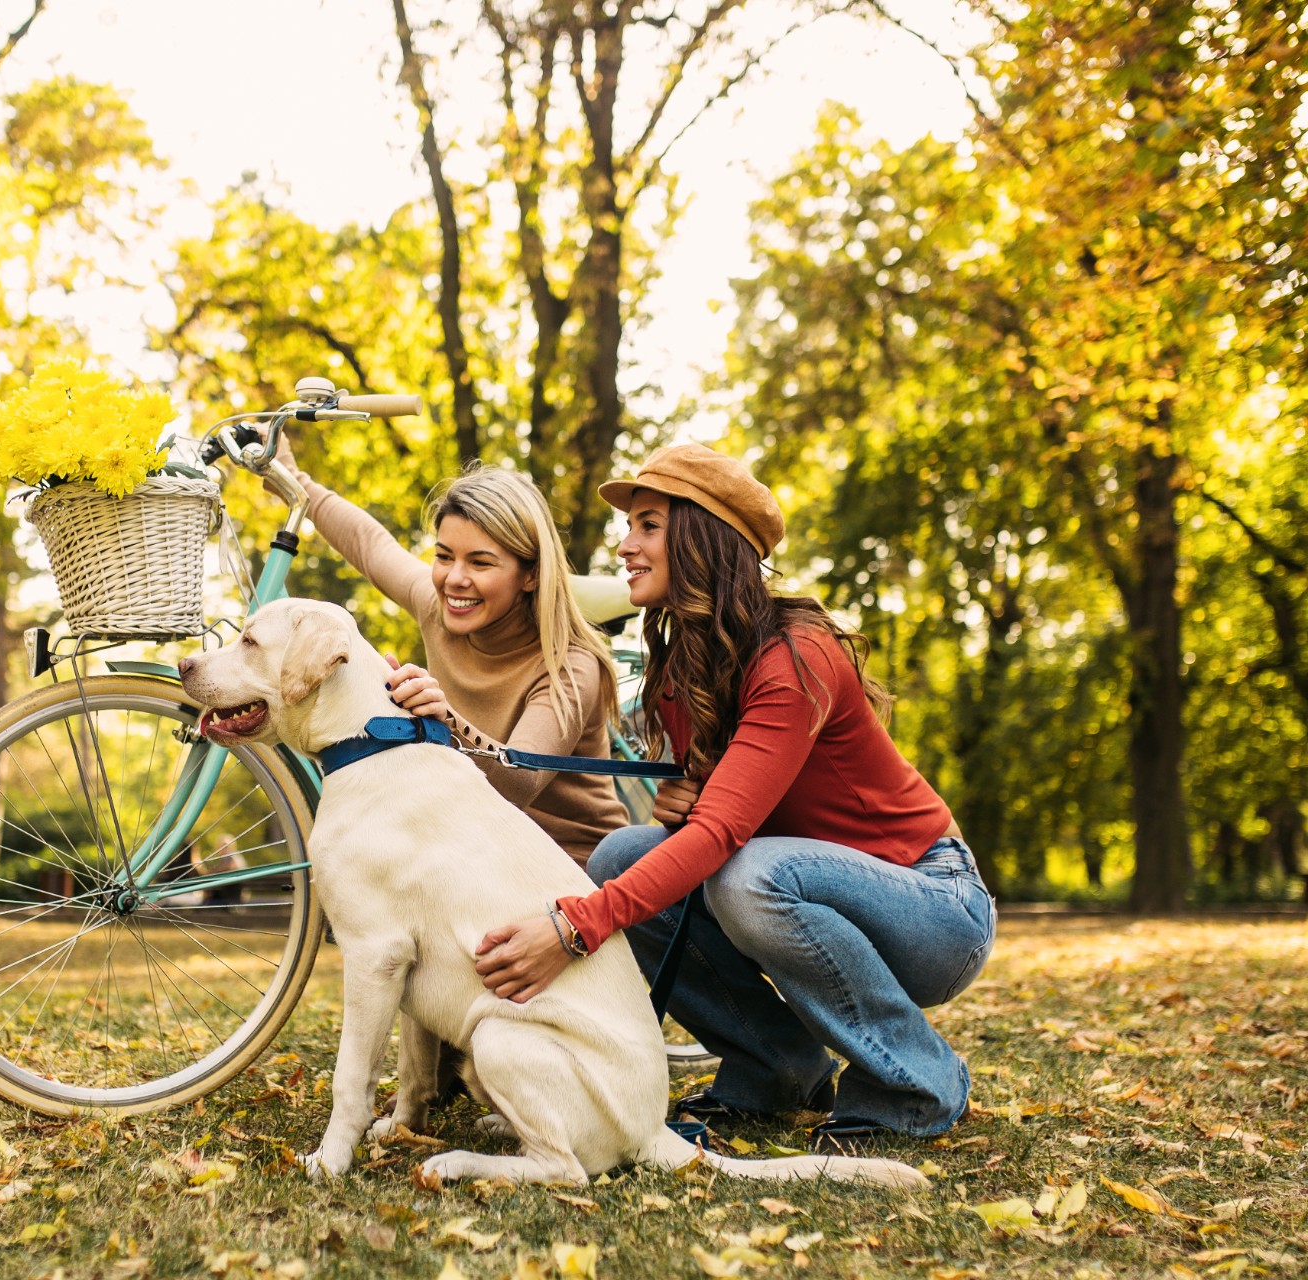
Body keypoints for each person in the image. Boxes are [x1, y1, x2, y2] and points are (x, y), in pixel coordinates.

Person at [466, 443, 996, 1153]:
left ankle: (919, 1082)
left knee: (749, 877)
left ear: (702, 537)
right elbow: (720, 817)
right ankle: (776, 1071)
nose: (625, 546)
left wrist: (574, 928)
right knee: (624, 853)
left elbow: (722, 838)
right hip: (821, 890)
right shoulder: (687, 664)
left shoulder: (796, 655)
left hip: (936, 908)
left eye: (647, 525)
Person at [279, 440, 628, 864]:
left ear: (531, 575)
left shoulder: (570, 665)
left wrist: (445, 721)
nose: (454, 579)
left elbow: (520, 783)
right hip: (477, 853)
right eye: (444, 556)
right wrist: (291, 479)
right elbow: (369, 544)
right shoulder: (437, 607)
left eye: (480, 563)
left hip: (571, 868)